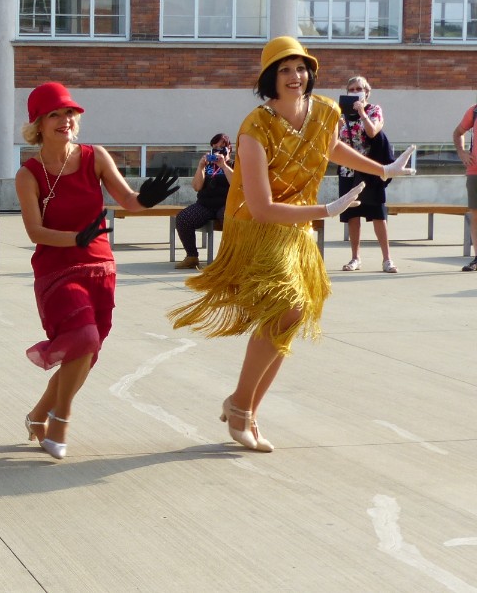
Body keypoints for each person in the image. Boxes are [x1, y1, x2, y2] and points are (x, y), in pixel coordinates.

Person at [169, 37, 415, 452]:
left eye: (301, 67)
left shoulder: (325, 111)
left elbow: (331, 147)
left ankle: (244, 408)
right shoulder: (254, 127)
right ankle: (241, 408)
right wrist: (326, 209)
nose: (295, 76)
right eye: (284, 69)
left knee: (288, 318)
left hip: (298, 228)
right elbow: (262, 207)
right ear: (270, 77)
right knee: (289, 306)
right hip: (257, 227)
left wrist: (382, 170)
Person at [17, 82, 179, 460]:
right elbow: (35, 231)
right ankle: (60, 419)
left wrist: (145, 199)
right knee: (84, 336)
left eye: (70, 113)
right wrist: (75, 239)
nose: (65, 120)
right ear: (38, 124)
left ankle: (37, 415)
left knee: (85, 351)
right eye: (55, 114)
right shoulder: (29, 174)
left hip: (100, 268)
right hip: (57, 271)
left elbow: (129, 201)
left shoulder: (96, 157)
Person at [337, 76, 396, 273]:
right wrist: (337, 125)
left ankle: (387, 259)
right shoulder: (341, 114)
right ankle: (355, 258)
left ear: (367, 92)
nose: (355, 92)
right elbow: (334, 142)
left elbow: (372, 132)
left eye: (359, 89)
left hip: (371, 170)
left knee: (378, 213)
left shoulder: (373, 110)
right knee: (352, 214)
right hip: (348, 171)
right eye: (352, 89)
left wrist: (362, 112)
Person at [174, 134, 235, 269]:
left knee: (230, 219)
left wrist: (224, 166)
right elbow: (196, 187)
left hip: (226, 204)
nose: (218, 150)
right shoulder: (207, 166)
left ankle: (229, 258)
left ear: (229, 149)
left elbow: (236, 184)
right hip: (205, 205)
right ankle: (191, 257)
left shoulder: (234, 164)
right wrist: (200, 167)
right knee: (183, 218)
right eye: (215, 147)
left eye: (222, 147)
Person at [451, 101, 477, 271]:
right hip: (475, 171)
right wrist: (461, 152)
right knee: (476, 215)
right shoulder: (474, 111)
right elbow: (458, 132)